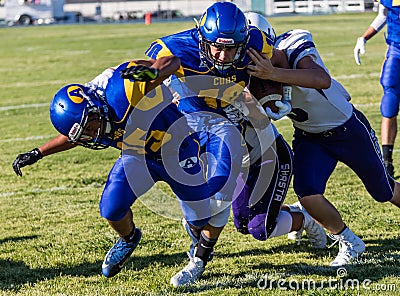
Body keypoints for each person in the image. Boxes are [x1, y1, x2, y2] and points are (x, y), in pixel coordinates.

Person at [12, 56, 213, 279]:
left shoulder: (122, 93)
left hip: (179, 149)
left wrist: (153, 73)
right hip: (137, 157)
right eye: (85, 132)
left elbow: (172, 62)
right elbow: (73, 137)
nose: (92, 134)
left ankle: (196, 236)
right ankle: (129, 239)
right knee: (111, 209)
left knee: (200, 217)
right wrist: (38, 153)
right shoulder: (89, 119)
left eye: (90, 126)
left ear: (95, 106)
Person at [247, 14, 400, 266]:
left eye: (261, 51)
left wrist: (274, 73)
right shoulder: (246, 69)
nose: (256, 58)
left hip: (347, 130)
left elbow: (321, 79)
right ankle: (350, 241)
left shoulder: (294, 45)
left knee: (383, 191)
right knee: (307, 192)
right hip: (309, 136)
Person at [353, 1, 400, 178]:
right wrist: (364, 37)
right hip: (396, 49)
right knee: (389, 101)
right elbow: (383, 14)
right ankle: (387, 161)